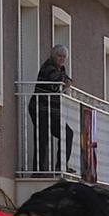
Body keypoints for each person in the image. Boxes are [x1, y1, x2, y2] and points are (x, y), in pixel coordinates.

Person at [28, 46, 73, 175]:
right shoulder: (48, 67)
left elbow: (67, 80)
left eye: (64, 57)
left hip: (51, 111)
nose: (62, 59)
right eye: (59, 56)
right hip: (40, 108)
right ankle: (39, 171)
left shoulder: (60, 70)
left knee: (67, 134)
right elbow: (57, 80)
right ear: (54, 56)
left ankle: (61, 166)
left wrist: (66, 81)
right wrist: (65, 81)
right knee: (42, 138)